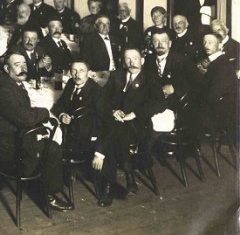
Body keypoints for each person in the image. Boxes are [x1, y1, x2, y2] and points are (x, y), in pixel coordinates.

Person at [0, 52, 72, 211]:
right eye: (17, 65)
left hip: (9, 138)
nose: (23, 68)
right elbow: (25, 118)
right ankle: (49, 195)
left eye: (24, 64)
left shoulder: (10, 83)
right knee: (53, 149)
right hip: (5, 149)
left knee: (47, 140)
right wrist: (44, 112)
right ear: (7, 68)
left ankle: (48, 183)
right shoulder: (4, 90)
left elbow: (23, 113)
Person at [98, 48, 165, 201]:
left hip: (138, 124)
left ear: (142, 60)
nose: (131, 62)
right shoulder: (117, 75)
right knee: (115, 130)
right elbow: (102, 99)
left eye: (135, 58)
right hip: (116, 121)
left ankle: (109, 184)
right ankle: (127, 176)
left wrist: (134, 114)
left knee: (113, 132)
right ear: (123, 61)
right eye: (127, 59)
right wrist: (113, 111)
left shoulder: (150, 79)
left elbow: (159, 103)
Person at [50, 60, 106, 204]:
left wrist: (99, 152)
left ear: (89, 73)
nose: (77, 74)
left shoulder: (96, 92)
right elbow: (59, 105)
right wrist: (63, 115)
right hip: (71, 135)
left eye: (81, 70)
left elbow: (103, 123)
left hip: (87, 141)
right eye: (74, 70)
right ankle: (59, 181)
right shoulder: (70, 84)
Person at [143, 30, 202, 109]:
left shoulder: (182, 60)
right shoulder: (148, 61)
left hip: (178, 106)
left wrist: (175, 88)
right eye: (156, 41)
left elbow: (198, 82)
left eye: (164, 41)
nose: (160, 44)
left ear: (170, 43)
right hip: (155, 106)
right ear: (152, 44)